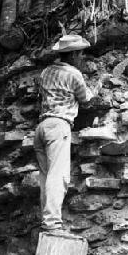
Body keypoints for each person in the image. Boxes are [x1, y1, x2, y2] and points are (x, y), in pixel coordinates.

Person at [34, 34, 101, 233]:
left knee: (45, 177)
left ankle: (47, 221)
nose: (81, 58)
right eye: (79, 54)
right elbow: (86, 98)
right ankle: (53, 223)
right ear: (71, 55)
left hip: (42, 127)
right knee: (58, 175)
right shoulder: (73, 74)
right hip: (59, 126)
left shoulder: (46, 72)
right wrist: (99, 84)